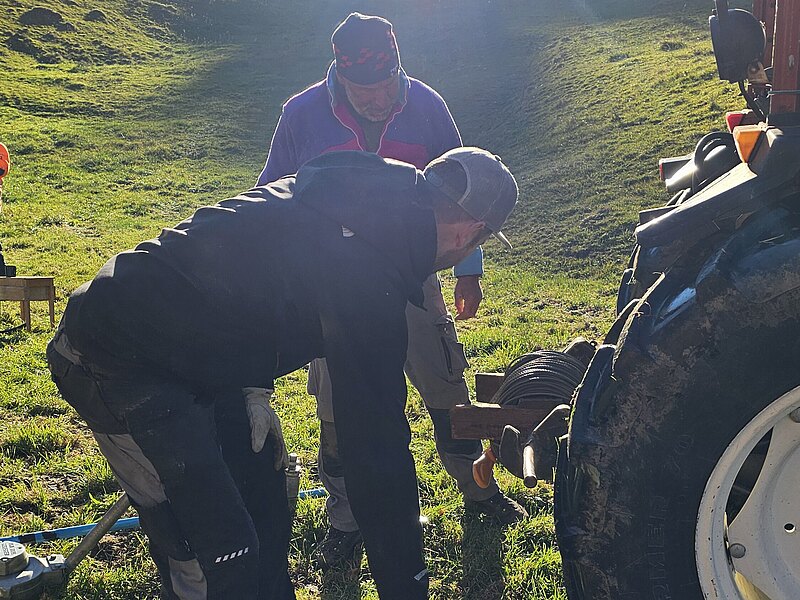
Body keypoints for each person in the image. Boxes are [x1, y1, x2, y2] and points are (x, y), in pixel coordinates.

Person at [47, 147, 519, 600]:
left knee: (265, 514)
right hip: (112, 356)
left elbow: (248, 277)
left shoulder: (360, 197)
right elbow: (376, 450)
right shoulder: (368, 270)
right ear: (471, 232)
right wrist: (407, 588)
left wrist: (254, 384)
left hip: (198, 358)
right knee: (217, 556)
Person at [256, 12, 526, 568]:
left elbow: (467, 192)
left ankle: (478, 490)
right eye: (366, 92)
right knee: (337, 411)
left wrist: (468, 268)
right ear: (339, 75)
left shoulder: (426, 105)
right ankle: (345, 519)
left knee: (446, 387)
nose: (380, 101)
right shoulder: (301, 115)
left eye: (388, 87)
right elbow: (272, 196)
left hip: (414, 278)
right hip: (332, 289)